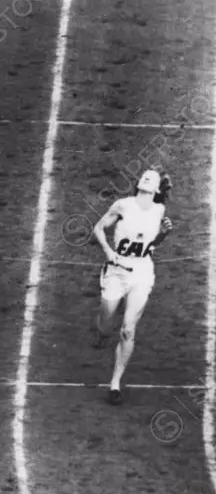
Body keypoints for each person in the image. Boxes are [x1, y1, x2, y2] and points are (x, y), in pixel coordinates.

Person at [91, 169, 173, 405]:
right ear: (138, 183)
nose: (147, 177)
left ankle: (115, 383)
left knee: (128, 329)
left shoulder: (159, 211)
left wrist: (164, 235)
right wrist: (108, 252)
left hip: (141, 273)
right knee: (106, 325)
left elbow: (151, 244)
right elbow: (98, 228)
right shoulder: (123, 205)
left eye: (152, 177)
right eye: (144, 175)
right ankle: (102, 331)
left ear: (157, 189)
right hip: (116, 272)